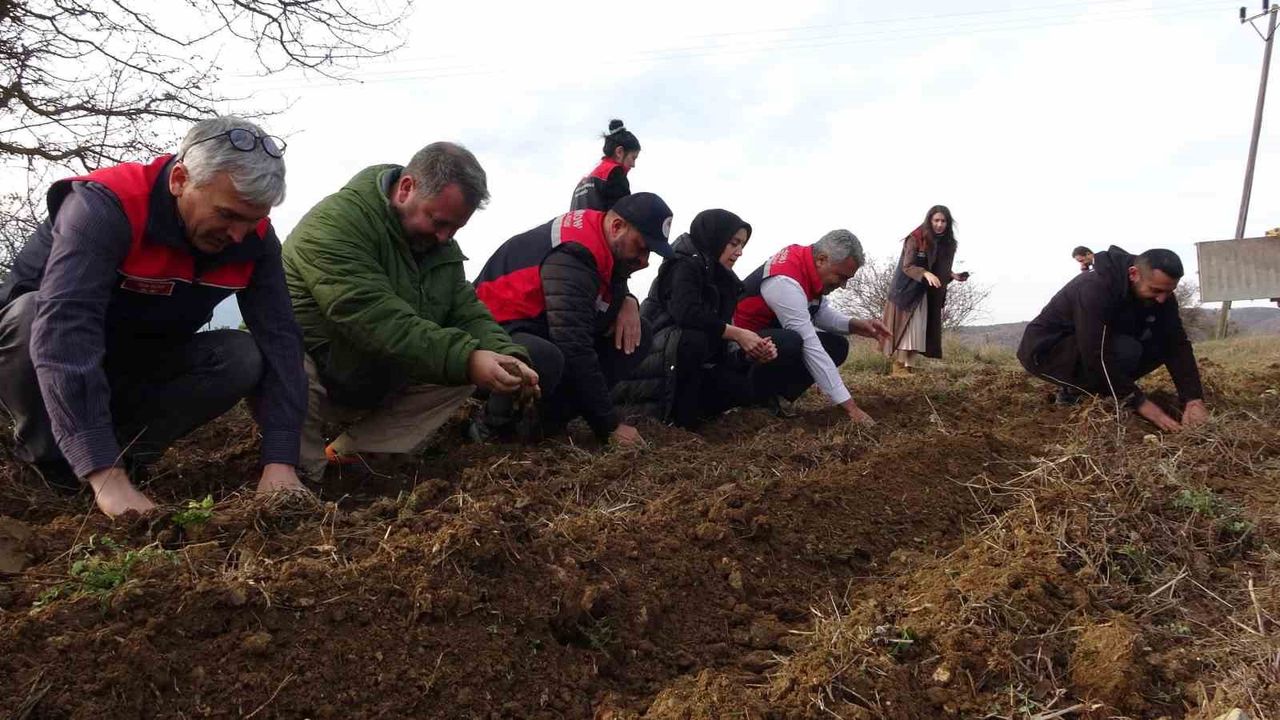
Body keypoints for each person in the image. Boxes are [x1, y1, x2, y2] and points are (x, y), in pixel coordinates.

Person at [0, 116, 308, 517]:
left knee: (240, 355)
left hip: (137, 363)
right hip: (41, 367)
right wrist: (103, 473)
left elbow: (281, 341)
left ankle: (126, 458)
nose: (238, 234)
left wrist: (280, 461)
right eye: (227, 215)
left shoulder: (255, 241)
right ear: (180, 180)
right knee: (32, 314)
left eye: (253, 220)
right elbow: (65, 331)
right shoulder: (104, 208)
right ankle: (52, 468)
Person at [282, 142, 539, 478]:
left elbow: (465, 310)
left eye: (456, 228)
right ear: (406, 188)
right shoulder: (333, 225)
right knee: (285, 360)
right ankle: (299, 473)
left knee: (466, 364)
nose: (446, 237)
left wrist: (507, 356)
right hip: (321, 369)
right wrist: (468, 359)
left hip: (379, 374)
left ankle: (354, 457)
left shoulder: (437, 244)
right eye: (439, 222)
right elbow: (374, 319)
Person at [474, 192, 674, 446]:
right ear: (617, 226)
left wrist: (627, 299)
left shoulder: (602, 242)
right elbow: (573, 344)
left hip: (535, 326)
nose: (645, 262)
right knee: (544, 356)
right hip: (491, 332)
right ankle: (489, 428)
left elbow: (603, 291)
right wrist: (609, 427)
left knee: (636, 334)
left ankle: (546, 421)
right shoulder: (574, 253)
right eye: (642, 247)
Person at [611, 209, 778, 428]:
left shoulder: (726, 280)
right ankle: (681, 421)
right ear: (716, 238)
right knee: (693, 339)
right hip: (654, 357)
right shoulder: (682, 264)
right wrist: (738, 334)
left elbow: (721, 339)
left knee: (743, 389)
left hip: (687, 361)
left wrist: (749, 353)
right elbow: (687, 313)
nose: (739, 252)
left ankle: (693, 411)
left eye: (742, 245)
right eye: (734, 243)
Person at [1017, 246, 1208, 432]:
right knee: (1127, 350)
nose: (1162, 299)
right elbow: (1096, 352)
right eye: (1155, 290)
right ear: (1133, 274)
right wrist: (1140, 403)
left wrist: (1193, 399)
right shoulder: (1094, 288)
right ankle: (1074, 393)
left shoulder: (1161, 294)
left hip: (1094, 347)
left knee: (1159, 344)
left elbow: (1177, 343)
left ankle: (1104, 389)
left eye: (1169, 291)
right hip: (1046, 352)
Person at [733, 230, 891, 425]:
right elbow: (810, 345)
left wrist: (856, 325)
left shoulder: (807, 265)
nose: (843, 286)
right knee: (791, 342)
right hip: (740, 349)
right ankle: (753, 396)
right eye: (841, 277)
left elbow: (819, 312)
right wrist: (851, 407)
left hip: (769, 338)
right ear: (822, 260)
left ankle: (776, 397)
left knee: (837, 345)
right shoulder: (785, 281)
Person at [881, 205, 970, 376]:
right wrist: (925, 273)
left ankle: (909, 366)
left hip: (925, 293)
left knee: (920, 329)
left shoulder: (947, 243)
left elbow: (937, 267)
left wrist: (952, 275)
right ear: (930, 220)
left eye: (943, 221)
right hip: (906, 291)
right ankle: (899, 366)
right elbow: (908, 266)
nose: (939, 224)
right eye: (936, 220)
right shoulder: (916, 237)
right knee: (907, 329)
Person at [569, 119, 640, 212]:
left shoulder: (585, 180)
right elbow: (623, 215)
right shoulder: (615, 173)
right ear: (619, 152)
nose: (633, 165)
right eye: (633, 158)